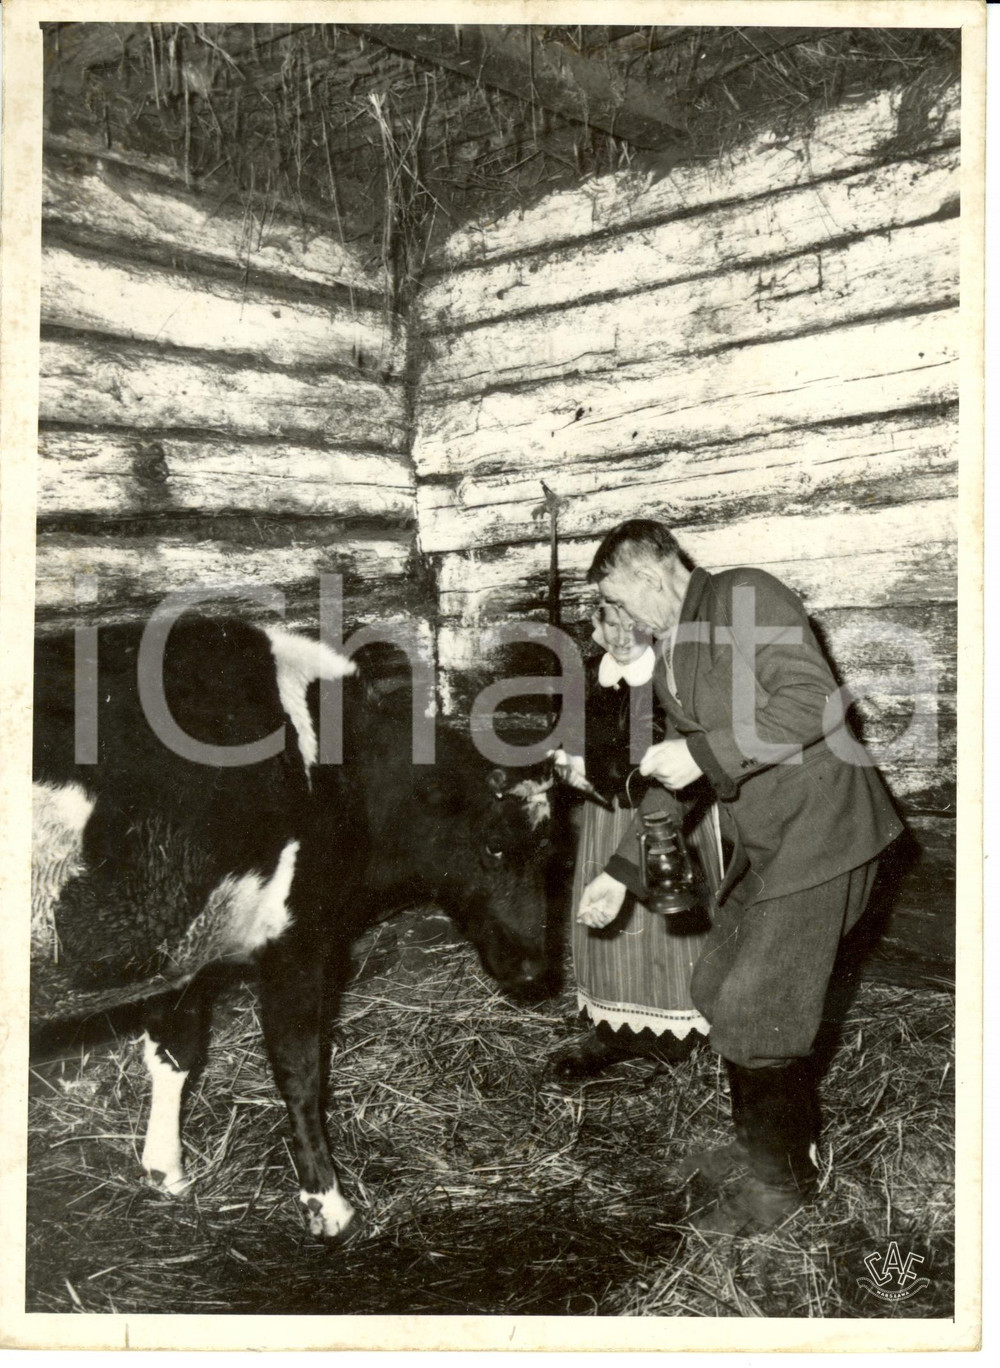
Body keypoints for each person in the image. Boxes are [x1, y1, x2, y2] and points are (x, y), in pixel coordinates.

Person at [576, 520, 903, 1234]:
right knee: (715, 987)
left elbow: (815, 700)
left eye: (619, 600)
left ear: (652, 575)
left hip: (828, 832)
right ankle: (780, 1144)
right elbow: (674, 783)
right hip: (775, 844)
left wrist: (706, 753)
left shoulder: (743, 596)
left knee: (756, 1011)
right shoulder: (670, 657)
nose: (620, 620)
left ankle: (780, 1189)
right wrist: (620, 875)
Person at [552, 602, 720, 1080]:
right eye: (610, 623)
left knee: (667, 925)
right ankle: (615, 1028)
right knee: (608, 922)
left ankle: (683, 1031)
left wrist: (603, 772)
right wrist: (567, 759)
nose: (622, 634)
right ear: (596, 628)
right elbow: (572, 733)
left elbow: (673, 761)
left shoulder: (669, 674)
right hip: (603, 816)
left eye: (633, 624)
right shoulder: (589, 675)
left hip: (667, 814)